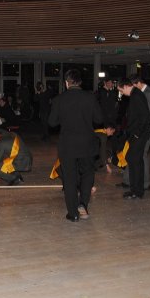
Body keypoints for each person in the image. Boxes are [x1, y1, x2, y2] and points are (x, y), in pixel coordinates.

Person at [48, 69, 103, 221]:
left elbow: (52, 122)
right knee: (87, 174)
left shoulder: (59, 99)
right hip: (87, 143)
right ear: (80, 82)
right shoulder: (90, 97)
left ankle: (72, 213)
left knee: (69, 178)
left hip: (68, 144)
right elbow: (99, 119)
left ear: (67, 83)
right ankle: (83, 204)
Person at [120, 75, 150, 191]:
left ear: (138, 83)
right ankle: (128, 181)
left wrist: (143, 133)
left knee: (140, 156)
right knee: (133, 155)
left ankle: (145, 184)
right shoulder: (139, 93)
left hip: (146, 131)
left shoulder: (148, 93)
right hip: (140, 130)